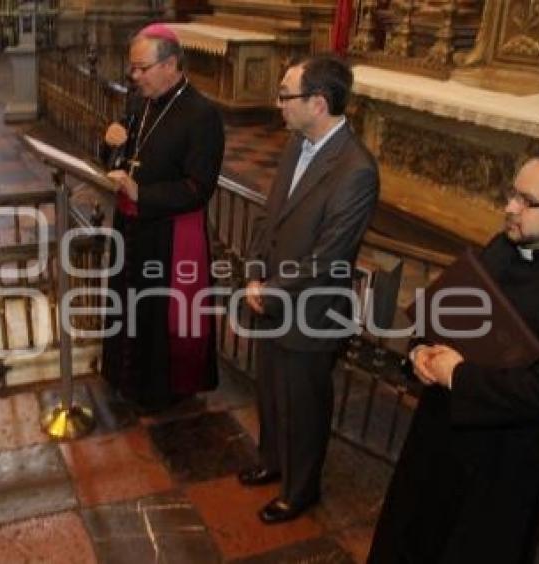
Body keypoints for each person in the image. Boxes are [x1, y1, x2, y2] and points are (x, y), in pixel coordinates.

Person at [368, 149, 539, 563]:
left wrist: (459, 375)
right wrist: (419, 348)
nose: (510, 208)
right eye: (513, 194)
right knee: (410, 534)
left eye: (527, 201)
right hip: (439, 430)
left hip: (504, 459)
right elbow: (451, 306)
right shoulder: (506, 243)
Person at [237, 56, 379, 523]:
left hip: (311, 308)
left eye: (285, 94)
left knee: (304, 404)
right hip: (274, 294)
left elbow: (330, 254)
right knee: (272, 392)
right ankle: (272, 461)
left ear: (318, 103)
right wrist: (256, 272)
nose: (277, 103)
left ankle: (301, 490)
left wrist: (271, 289)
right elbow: (269, 216)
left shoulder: (356, 169)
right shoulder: (297, 144)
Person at [101, 24, 225, 411]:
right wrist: (108, 147)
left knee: (157, 315)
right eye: (132, 69)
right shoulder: (141, 104)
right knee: (127, 305)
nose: (135, 77)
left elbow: (198, 188)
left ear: (171, 64)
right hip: (131, 228)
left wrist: (143, 194)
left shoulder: (202, 114)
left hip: (169, 237)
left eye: (142, 68)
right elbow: (124, 161)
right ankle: (124, 378)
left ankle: (160, 391)